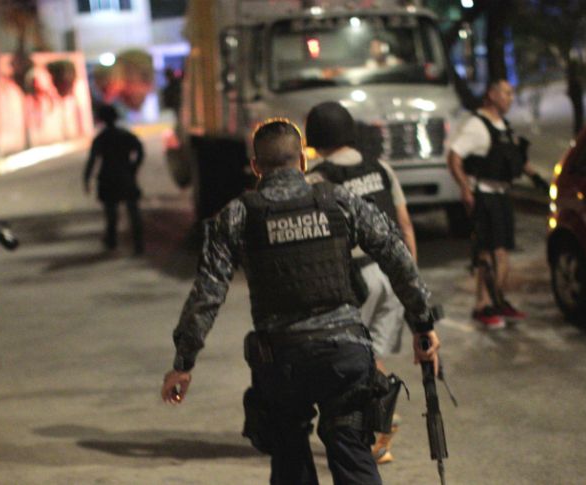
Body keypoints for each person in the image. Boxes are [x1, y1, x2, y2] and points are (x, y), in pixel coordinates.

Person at [161, 119, 441, 485]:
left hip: (281, 362)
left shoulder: (237, 215)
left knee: (290, 456)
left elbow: (208, 293)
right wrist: (423, 325)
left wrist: (183, 363)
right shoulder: (339, 201)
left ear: (256, 166)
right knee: (353, 454)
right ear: (303, 162)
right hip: (344, 353)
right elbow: (397, 258)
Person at [304, 101, 416, 465]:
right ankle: (381, 429)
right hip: (392, 272)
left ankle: (364, 433)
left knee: (350, 360)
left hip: (354, 277)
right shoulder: (381, 168)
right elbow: (404, 223)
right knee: (374, 355)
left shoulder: (317, 179)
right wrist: (410, 278)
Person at [446, 79, 542, 329]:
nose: (511, 98)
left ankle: (498, 300)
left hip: (502, 195)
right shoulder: (477, 125)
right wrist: (465, 189)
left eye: (512, 94)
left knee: (503, 251)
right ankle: (483, 305)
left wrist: (540, 181)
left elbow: (518, 159)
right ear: (492, 94)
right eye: (507, 93)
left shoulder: (505, 127)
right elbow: (454, 157)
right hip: (485, 194)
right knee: (488, 252)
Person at [83, 104, 145, 255]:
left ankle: (112, 241)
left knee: (111, 214)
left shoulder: (100, 138)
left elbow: (92, 161)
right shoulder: (126, 135)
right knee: (133, 213)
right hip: (126, 176)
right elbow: (140, 151)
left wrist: (87, 179)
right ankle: (138, 245)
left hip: (108, 178)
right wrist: (133, 167)